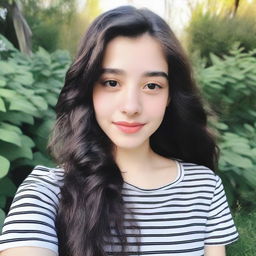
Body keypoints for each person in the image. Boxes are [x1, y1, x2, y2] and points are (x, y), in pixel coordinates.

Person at [0, 5, 239, 256]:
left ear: (170, 95)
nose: (131, 107)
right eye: (112, 83)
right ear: (88, 88)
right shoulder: (46, 192)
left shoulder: (204, 187)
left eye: (152, 85)